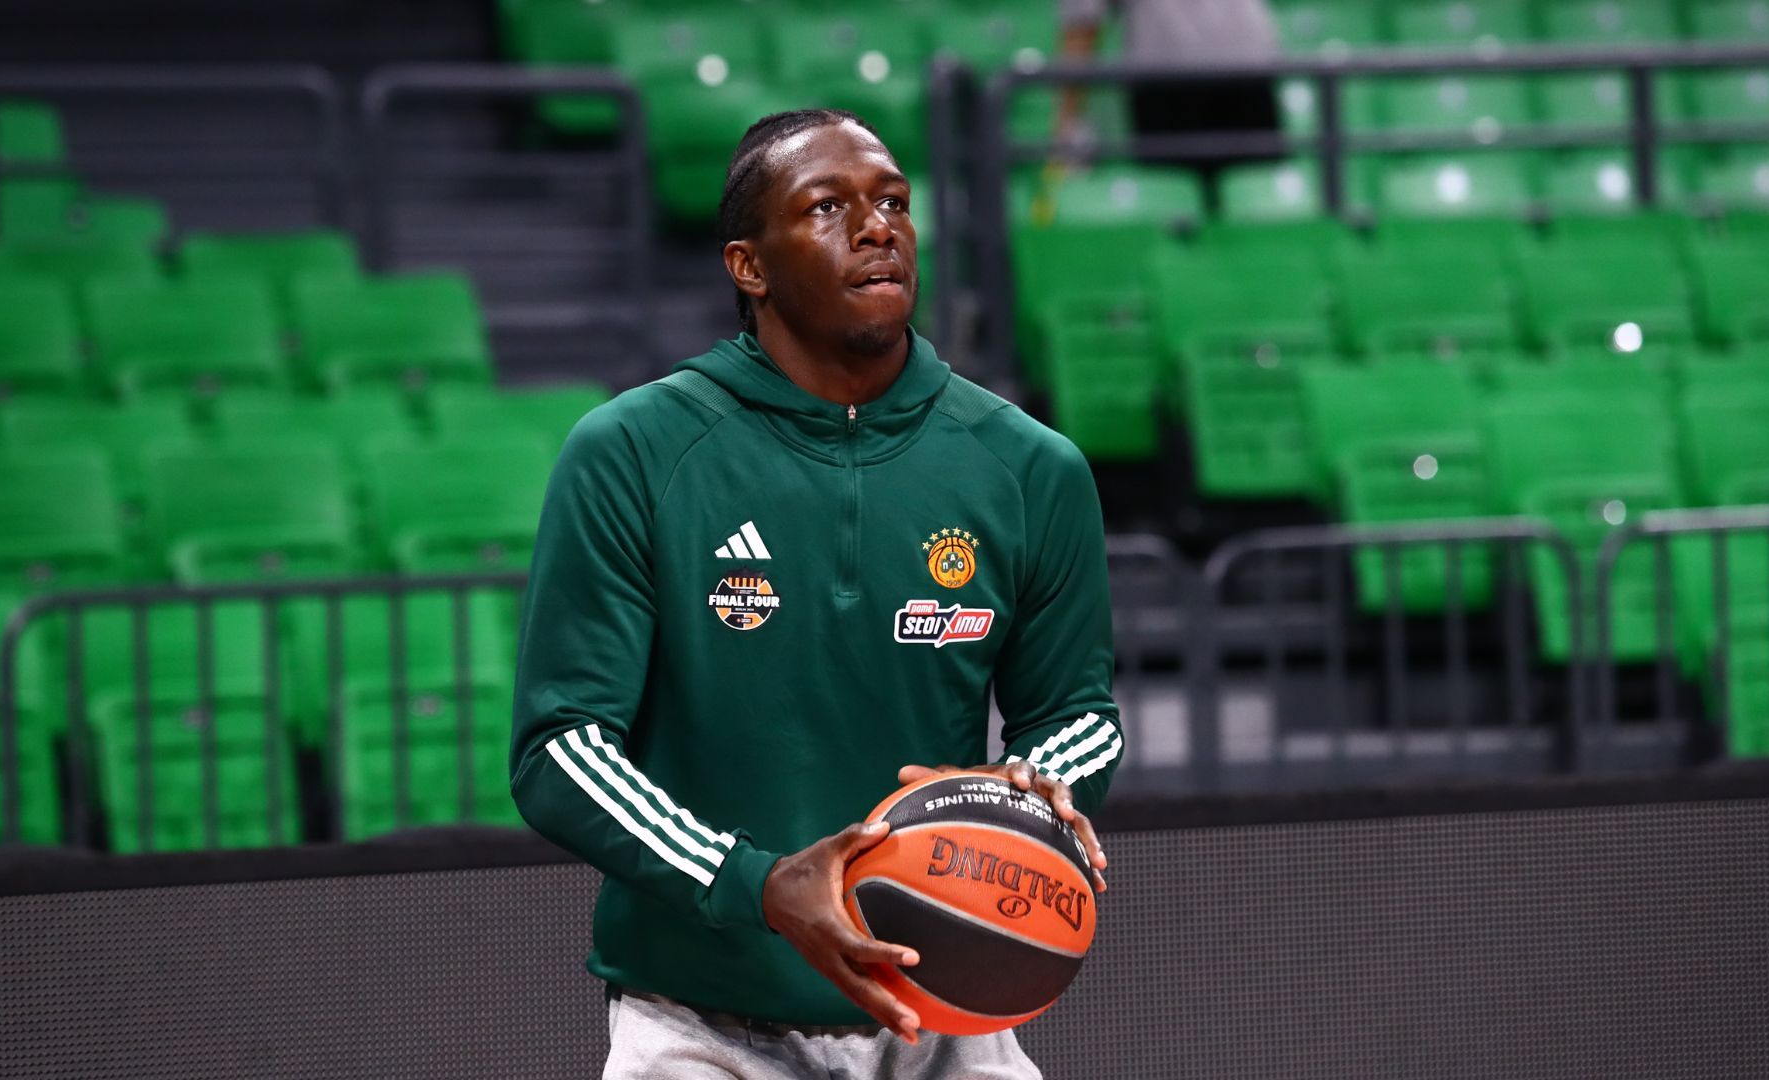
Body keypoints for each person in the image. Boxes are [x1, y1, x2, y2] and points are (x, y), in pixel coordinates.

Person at [510, 108, 1124, 1079]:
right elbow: (562, 749)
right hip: (702, 1025)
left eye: (894, 202)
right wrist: (753, 883)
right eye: (828, 207)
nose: (877, 227)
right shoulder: (633, 454)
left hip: (946, 1018)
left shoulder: (1028, 467)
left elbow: (1078, 716)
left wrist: (1037, 789)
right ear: (748, 266)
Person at [1053, 0, 1283, 181]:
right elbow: (1082, 26)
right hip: (1228, 73)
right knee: (1178, 198)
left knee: (1247, 200)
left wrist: (1066, 124)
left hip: (1187, 80)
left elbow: (1081, 31)